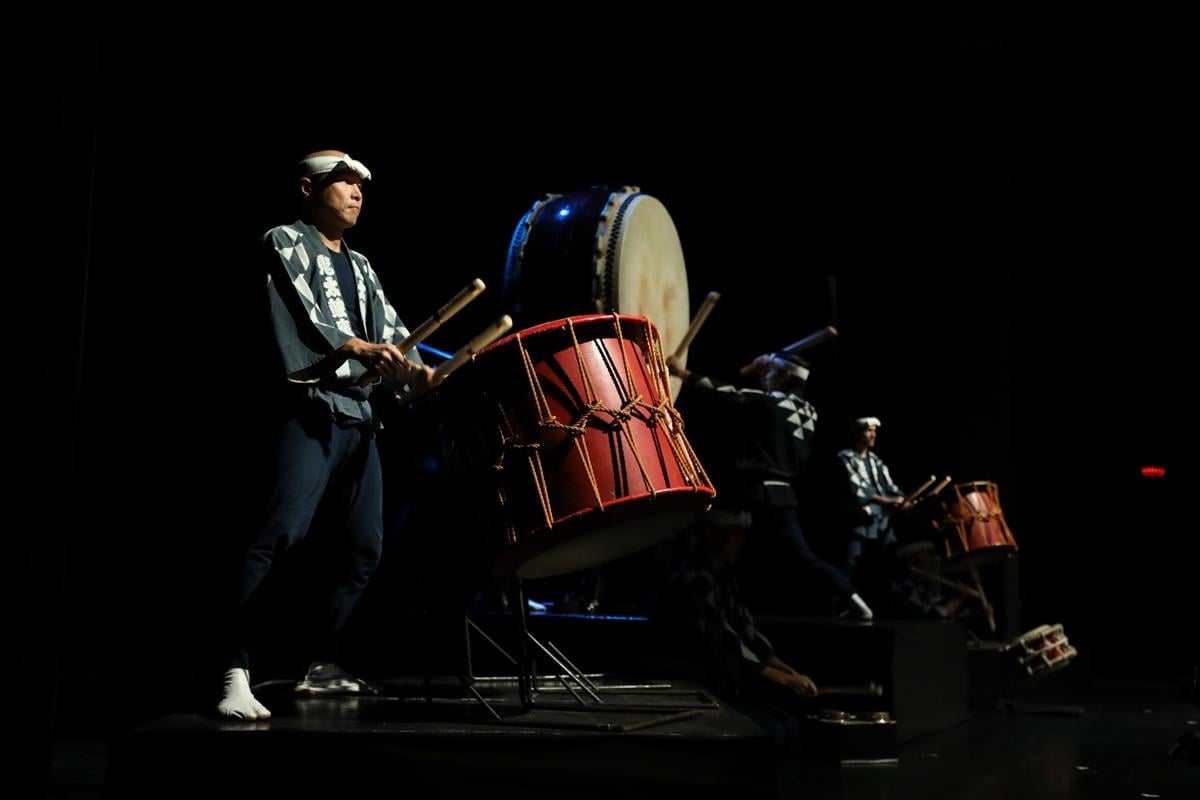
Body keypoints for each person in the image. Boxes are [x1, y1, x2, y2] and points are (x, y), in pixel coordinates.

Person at [216, 150, 435, 720]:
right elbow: (303, 310)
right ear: (310, 188)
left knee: (365, 547)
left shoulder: (362, 266)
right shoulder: (284, 240)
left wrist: (419, 366)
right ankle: (234, 670)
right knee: (279, 534)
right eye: (344, 181)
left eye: (361, 183)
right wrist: (360, 348)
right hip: (308, 408)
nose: (357, 191)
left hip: (358, 417)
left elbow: (391, 329)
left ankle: (321, 663)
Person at [667, 352, 874, 619]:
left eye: (772, 374)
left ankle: (684, 602)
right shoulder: (810, 412)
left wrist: (682, 373)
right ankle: (853, 598)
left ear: (786, 376)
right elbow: (765, 400)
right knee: (798, 557)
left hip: (752, 492)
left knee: (704, 535)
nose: (766, 378)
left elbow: (728, 392)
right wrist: (769, 366)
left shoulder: (769, 404)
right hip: (783, 495)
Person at [659, 507, 818, 751]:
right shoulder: (695, 580)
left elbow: (750, 636)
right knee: (774, 730)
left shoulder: (724, 580)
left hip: (726, 684)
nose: (742, 542)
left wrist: (792, 672)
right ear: (714, 535)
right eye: (736, 535)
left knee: (788, 725)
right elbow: (726, 644)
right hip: (701, 688)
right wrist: (785, 679)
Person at [835, 417, 908, 583]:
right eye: (869, 430)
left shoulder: (875, 461)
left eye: (875, 431)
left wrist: (905, 499)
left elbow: (889, 486)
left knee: (893, 559)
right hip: (859, 520)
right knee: (851, 563)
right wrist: (891, 501)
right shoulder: (846, 458)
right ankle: (837, 603)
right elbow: (860, 490)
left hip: (881, 520)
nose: (873, 435)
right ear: (858, 433)